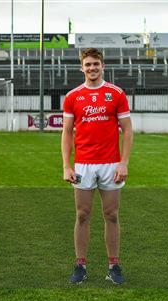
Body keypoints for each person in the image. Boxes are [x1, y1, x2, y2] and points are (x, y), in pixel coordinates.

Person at [61, 48, 133, 285]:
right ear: (82, 67)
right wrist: (67, 166)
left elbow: (128, 130)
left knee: (111, 215)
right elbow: (67, 133)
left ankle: (114, 265)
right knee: (82, 215)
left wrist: (123, 162)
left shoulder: (116, 93)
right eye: (88, 64)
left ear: (103, 66)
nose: (92, 68)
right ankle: (80, 264)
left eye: (96, 64)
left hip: (111, 164)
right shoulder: (73, 96)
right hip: (83, 165)